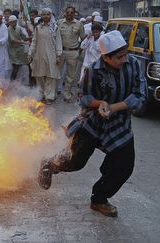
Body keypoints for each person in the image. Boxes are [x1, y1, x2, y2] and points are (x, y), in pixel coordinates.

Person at [38, 30, 147, 218]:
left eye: (125, 55)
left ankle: (99, 199)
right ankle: (49, 164)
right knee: (75, 162)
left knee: (123, 165)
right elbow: (85, 98)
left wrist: (113, 107)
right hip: (92, 124)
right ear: (106, 57)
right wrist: (100, 104)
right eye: (119, 57)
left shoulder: (134, 65)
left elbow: (140, 95)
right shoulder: (92, 70)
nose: (124, 60)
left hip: (120, 124)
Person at [28, 8, 62, 105]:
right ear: (41, 16)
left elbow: (58, 42)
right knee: (39, 76)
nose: (46, 16)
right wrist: (30, 53)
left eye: (48, 14)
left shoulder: (55, 28)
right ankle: (41, 94)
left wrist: (58, 55)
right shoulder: (38, 28)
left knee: (51, 77)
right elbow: (34, 42)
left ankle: (50, 96)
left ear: (50, 16)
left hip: (52, 55)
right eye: (44, 14)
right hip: (39, 55)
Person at [58, 6, 86, 102]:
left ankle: (66, 93)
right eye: (68, 12)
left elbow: (83, 38)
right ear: (65, 13)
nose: (69, 14)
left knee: (70, 76)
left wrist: (79, 50)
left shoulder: (79, 24)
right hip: (60, 52)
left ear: (74, 14)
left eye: (71, 12)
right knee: (57, 73)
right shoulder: (59, 23)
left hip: (73, 52)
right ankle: (53, 92)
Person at [7, 15, 30, 83]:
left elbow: (24, 38)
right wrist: (24, 42)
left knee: (25, 66)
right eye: (12, 22)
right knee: (15, 67)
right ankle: (11, 83)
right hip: (13, 51)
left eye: (14, 22)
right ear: (9, 23)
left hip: (21, 51)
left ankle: (24, 83)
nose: (13, 23)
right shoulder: (8, 29)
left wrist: (32, 36)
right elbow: (13, 40)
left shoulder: (19, 28)